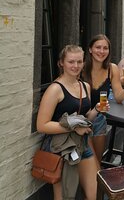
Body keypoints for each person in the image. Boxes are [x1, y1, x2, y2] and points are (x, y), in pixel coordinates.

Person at [37, 45, 106, 200]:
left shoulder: (84, 86)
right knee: (64, 196)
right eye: (71, 62)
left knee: (93, 194)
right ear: (61, 63)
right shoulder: (55, 89)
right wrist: (74, 129)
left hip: (82, 143)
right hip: (60, 147)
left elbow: (85, 118)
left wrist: (96, 109)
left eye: (79, 62)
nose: (76, 66)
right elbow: (42, 125)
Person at [82, 34, 124, 166]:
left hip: (99, 120)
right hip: (81, 120)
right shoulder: (81, 68)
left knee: (97, 162)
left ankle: (94, 186)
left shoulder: (112, 69)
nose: (101, 51)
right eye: (98, 47)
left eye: (105, 48)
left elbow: (118, 98)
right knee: (87, 164)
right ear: (90, 49)